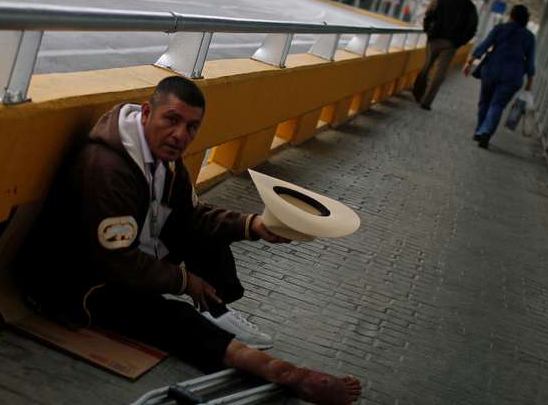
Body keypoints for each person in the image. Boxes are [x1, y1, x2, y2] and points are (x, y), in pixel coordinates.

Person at [19, 76, 362, 405]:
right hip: (80, 283)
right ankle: (287, 375)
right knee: (173, 318)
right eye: (172, 119)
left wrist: (252, 225)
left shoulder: (164, 158)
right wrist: (183, 281)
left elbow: (191, 216)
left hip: (131, 252)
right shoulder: (108, 168)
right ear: (146, 112)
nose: (181, 134)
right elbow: (115, 261)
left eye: (191, 126)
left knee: (209, 238)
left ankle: (216, 310)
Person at [464, 4, 536, 148]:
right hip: (513, 75)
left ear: (511, 16)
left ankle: (479, 130)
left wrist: (470, 61)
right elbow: (530, 61)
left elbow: (484, 45)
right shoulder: (529, 37)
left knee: (484, 102)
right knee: (497, 105)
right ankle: (486, 131)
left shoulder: (500, 29)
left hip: (491, 70)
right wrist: (529, 81)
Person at [412, 0, 478, 110]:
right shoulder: (470, 6)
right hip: (451, 44)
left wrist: (428, 31)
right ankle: (426, 102)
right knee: (439, 74)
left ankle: (418, 93)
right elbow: (473, 28)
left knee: (426, 67)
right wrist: (460, 42)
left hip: (434, 39)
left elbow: (428, 14)